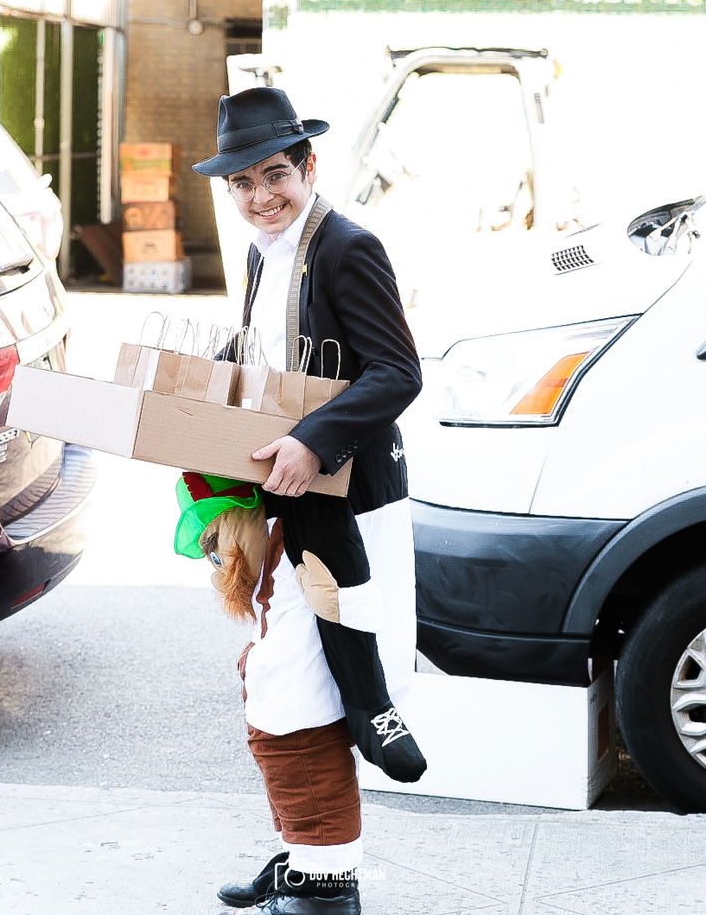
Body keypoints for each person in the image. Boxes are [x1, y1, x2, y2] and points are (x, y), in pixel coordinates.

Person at [190, 87, 425, 915]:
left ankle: (327, 884)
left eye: (276, 175)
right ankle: (309, 855)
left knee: (296, 682)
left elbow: (398, 371)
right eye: (243, 184)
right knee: (287, 675)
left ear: (309, 166)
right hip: (290, 495)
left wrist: (314, 440)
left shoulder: (348, 248)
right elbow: (271, 355)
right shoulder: (263, 249)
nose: (261, 197)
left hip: (349, 500)